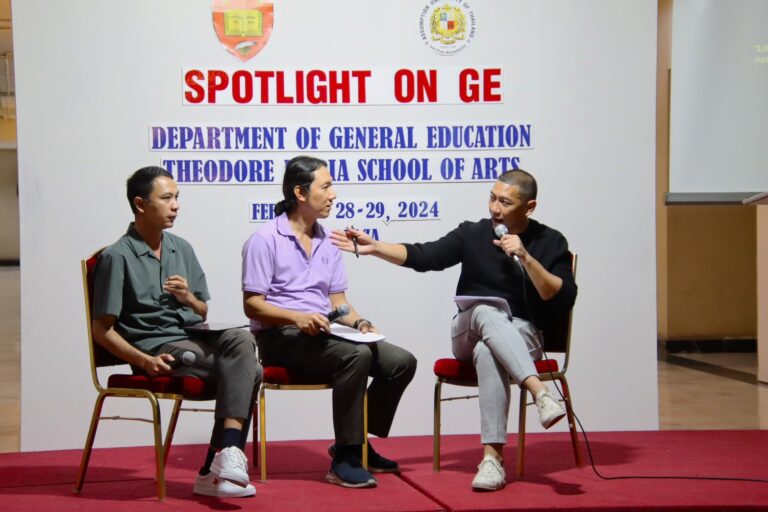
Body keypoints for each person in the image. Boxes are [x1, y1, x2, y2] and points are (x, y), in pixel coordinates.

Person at [330, 169, 577, 492]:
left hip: (522, 334)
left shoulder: (551, 241)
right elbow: (425, 255)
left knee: (489, 350)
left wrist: (526, 257)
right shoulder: (472, 233)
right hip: (467, 330)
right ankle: (539, 392)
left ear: (529, 207)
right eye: (492, 198)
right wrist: (376, 247)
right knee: (485, 310)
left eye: (505, 202)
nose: (495, 208)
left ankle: (492, 460)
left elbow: (560, 298)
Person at [242, 155, 417, 489]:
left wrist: (361, 324)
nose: (333, 194)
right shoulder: (264, 240)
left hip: (323, 333)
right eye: (326, 186)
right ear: (300, 193)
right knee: (356, 356)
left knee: (401, 362)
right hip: (280, 338)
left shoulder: (328, 241)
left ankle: (357, 442)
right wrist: (297, 317)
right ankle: (346, 459)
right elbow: (252, 305)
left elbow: (339, 303)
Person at [91, 166, 263, 498]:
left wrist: (188, 298)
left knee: (242, 338)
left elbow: (202, 311)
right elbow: (102, 330)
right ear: (140, 204)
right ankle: (214, 471)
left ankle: (224, 457)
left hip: (192, 338)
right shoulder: (116, 256)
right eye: (167, 198)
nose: (175, 206)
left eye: (177, 197)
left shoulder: (181, 248)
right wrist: (143, 361)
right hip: (157, 349)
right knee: (251, 371)